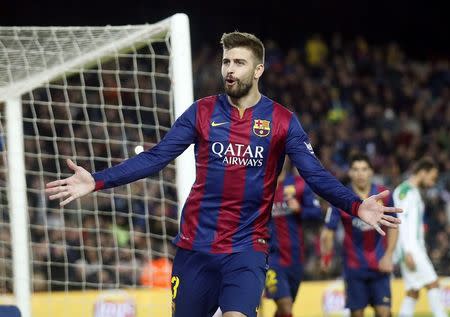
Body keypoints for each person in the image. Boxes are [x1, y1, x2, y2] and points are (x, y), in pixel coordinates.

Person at [46, 32, 401, 317]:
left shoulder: (282, 121)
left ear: (258, 69)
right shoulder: (201, 112)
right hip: (194, 249)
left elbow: (315, 175)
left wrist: (355, 206)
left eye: (239, 62)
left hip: (247, 249)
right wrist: (97, 180)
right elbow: (156, 158)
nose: (230, 69)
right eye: (226, 61)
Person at [320, 153, 398, 317]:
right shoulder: (341, 199)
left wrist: (389, 255)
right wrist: (326, 256)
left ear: (371, 172)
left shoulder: (383, 195)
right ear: (349, 173)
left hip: (380, 266)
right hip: (354, 269)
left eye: (364, 169)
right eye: (355, 169)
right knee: (357, 314)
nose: (360, 174)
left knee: (384, 312)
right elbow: (328, 231)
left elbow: (393, 226)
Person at [264, 157, 322, 317]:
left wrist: (300, 209)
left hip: (296, 257)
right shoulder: (260, 186)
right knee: (286, 306)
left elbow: (317, 213)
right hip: (271, 257)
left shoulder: (299, 185)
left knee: (284, 310)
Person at [394, 158, 447, 317]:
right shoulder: (405, 191)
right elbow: (400, 222)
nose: (433, 182)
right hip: (411, 249)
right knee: (433, 283)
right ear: (423, 172)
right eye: (432, 177)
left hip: (414, 249)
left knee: (413, 291)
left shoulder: (413, 191)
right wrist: (407, 251)